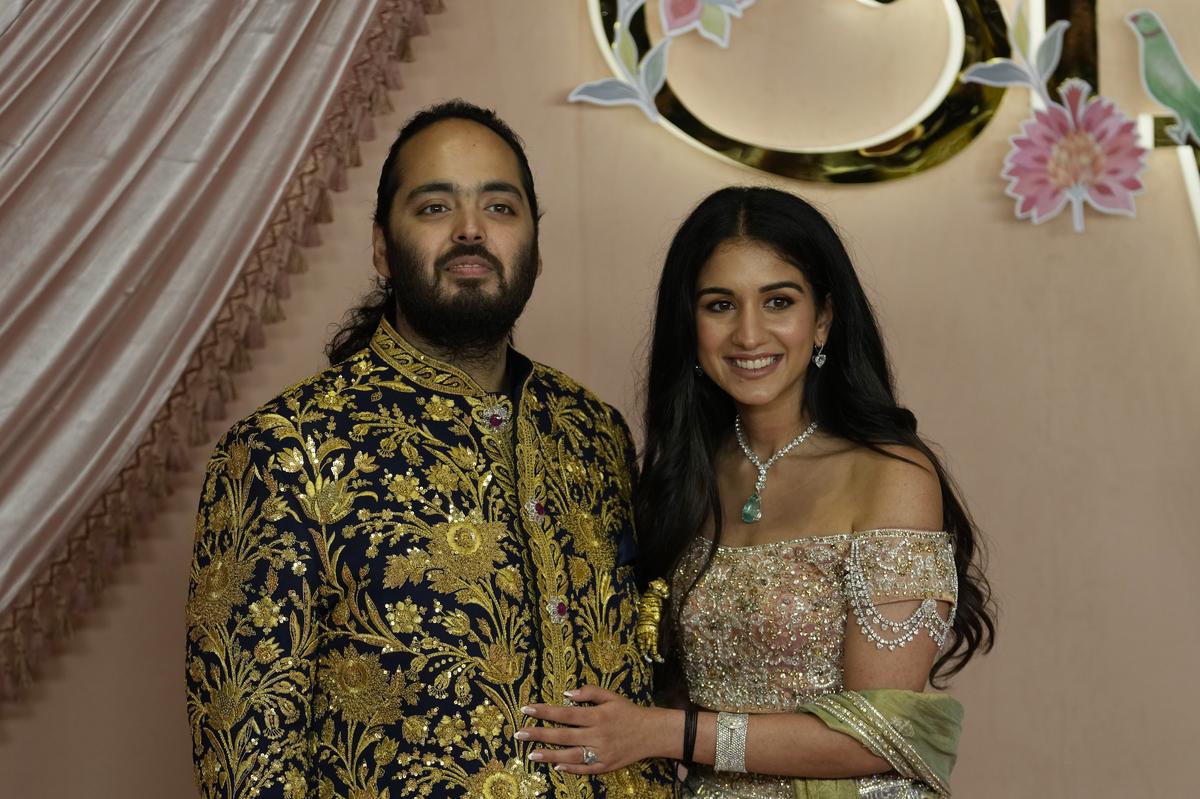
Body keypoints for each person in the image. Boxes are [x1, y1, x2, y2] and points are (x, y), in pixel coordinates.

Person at [185, 100, 674, 798]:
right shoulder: (283, 450)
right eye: (436, 206)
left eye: (500, 208)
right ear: (383, 245)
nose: (471, 230)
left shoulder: (591, 432)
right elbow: (247, 764)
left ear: (536, 244)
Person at [517, 187, 995, 797]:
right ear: (689, 324)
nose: (748, 333)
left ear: (822, 318)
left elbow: (887, 735)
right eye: (720, 305)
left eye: (778, 301)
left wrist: (666, 733)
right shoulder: (682, 480)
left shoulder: (890, 476)